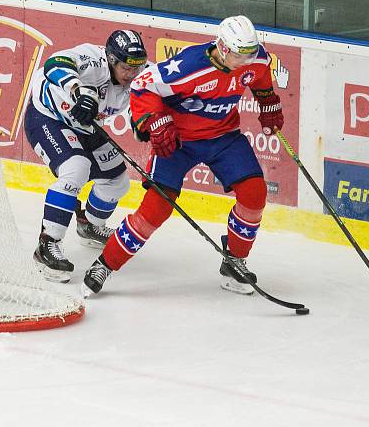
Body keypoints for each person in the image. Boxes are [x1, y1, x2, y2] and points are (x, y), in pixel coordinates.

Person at [81, 15, 285, 297]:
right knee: (155, 210)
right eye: (240, 54)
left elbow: (260, 76)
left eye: (251, 52)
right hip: (178, 142)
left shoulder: (255, 59)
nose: (247, 60)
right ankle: (105, 264)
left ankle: (235, 262)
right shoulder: (189, 67)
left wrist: (268, 102)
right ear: (223, 48)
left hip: (223, 136)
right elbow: (142, 87)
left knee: (254, 193)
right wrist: (153, 121)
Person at [23, 30, 148, 283]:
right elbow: (54, 64)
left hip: (87, 126)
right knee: (76, 168)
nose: (132, 74)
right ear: (111, 59)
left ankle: (88, 225)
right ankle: (46, 245)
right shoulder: (92, 59)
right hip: (48, 118)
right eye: (126, 67)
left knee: (118, 181)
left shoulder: (141, 74)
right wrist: (79, 90)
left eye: (137, 67)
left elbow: (165, 87)